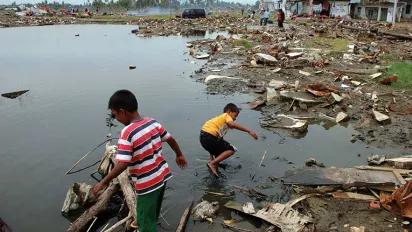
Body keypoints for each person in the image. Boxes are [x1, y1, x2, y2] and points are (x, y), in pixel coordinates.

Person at [93, 90, 188, 232]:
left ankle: (145, 224)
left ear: (122, 112)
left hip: (146, 183)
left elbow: (123, 163)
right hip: (162, 176)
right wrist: (179, 155)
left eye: (114, 115)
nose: (116, 118)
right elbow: (170, 139)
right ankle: (145, 218)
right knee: (153, 208)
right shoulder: (152, 122)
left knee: (146, 226)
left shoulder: (127, 132)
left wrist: (104, 181)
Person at [200, 103, 258, 177]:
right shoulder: (226, 115)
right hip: (209, 136)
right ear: (229, 112)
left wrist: (211, 157)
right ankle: (212, 164)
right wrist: (249, 131)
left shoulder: (219, 123)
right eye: (235, 116)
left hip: (203, 138)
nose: (235, 119)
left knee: (219, 153)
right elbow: (232, 124)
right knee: (231, 149)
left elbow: (215, 142)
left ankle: (214, 168)